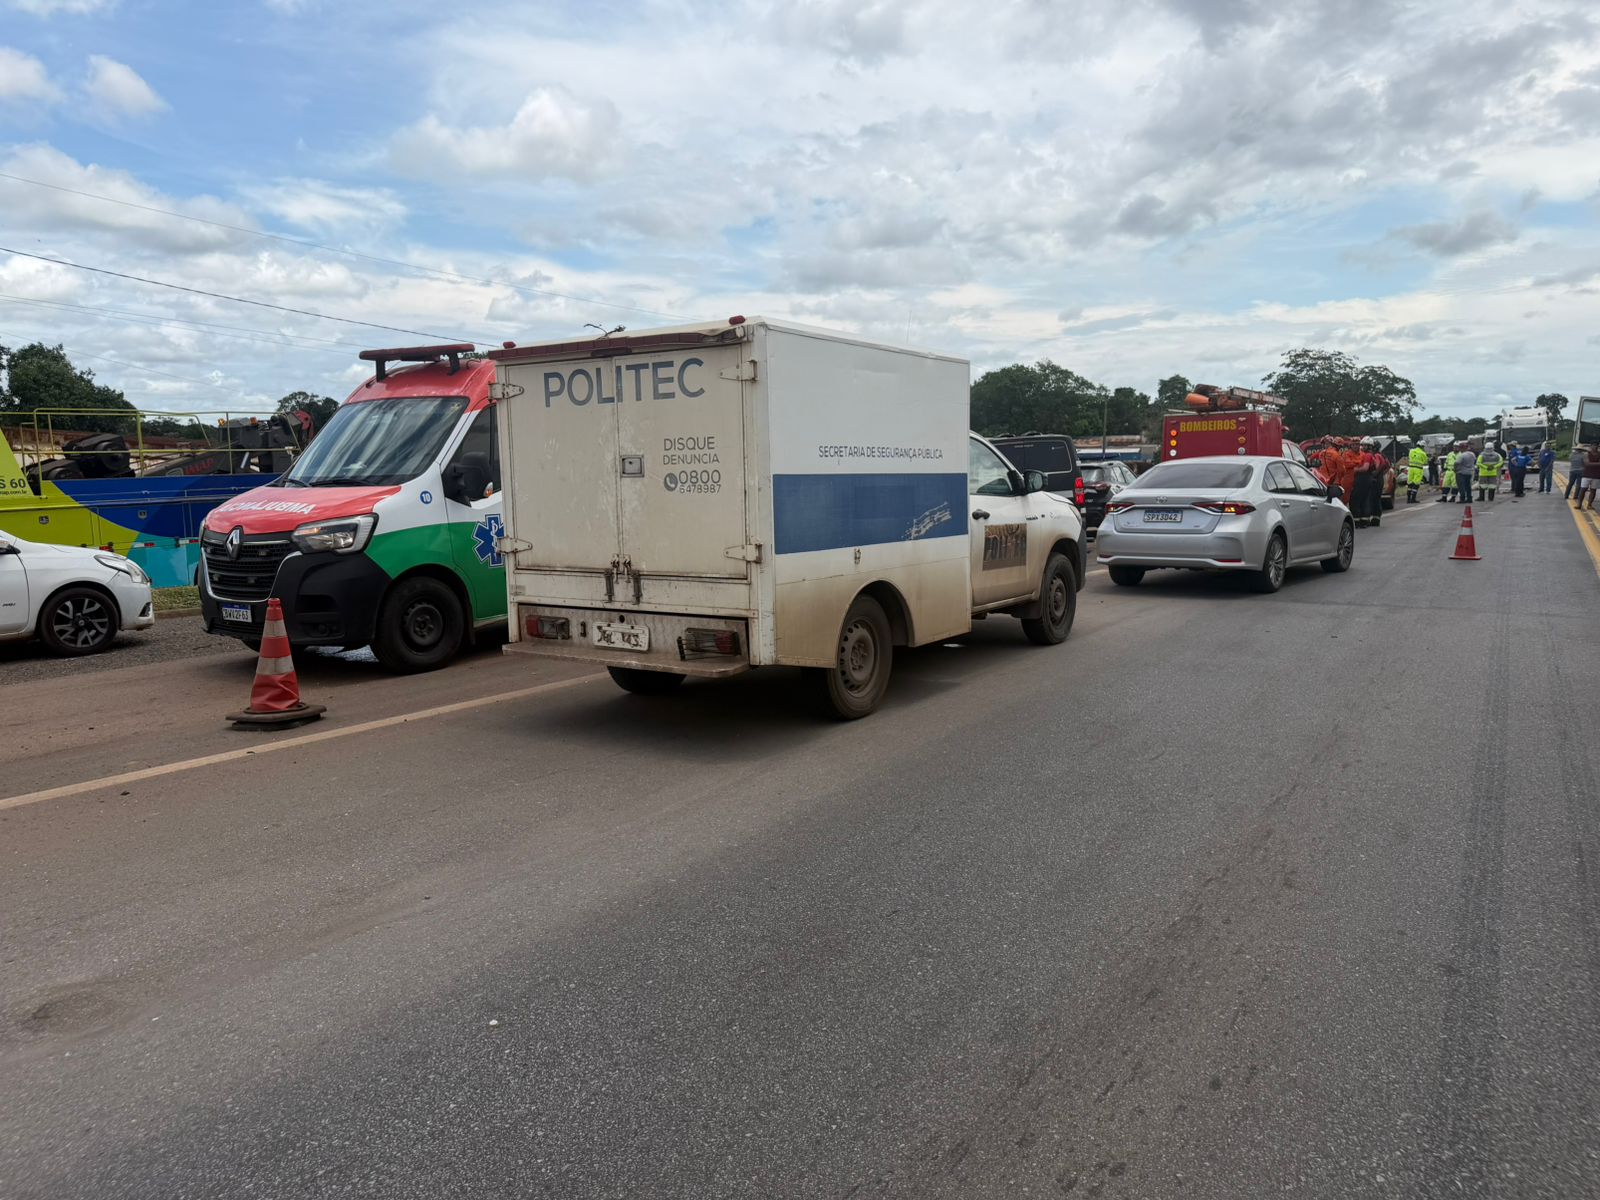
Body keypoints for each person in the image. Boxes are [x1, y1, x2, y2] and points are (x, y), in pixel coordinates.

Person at [1582, 445, 1600, 511]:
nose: (1595, 447)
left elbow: (1588, 463)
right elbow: (1587, 464)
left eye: (1596, 445)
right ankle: (1579, 504)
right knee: (1583, 489)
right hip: (1587, 474)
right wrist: (1597, 463)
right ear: (1591, 446)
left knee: (1593, 490)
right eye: (1593, 445)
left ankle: (1589, 504)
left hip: (1596, 475)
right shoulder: (1586, 454)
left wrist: (1591, 463)